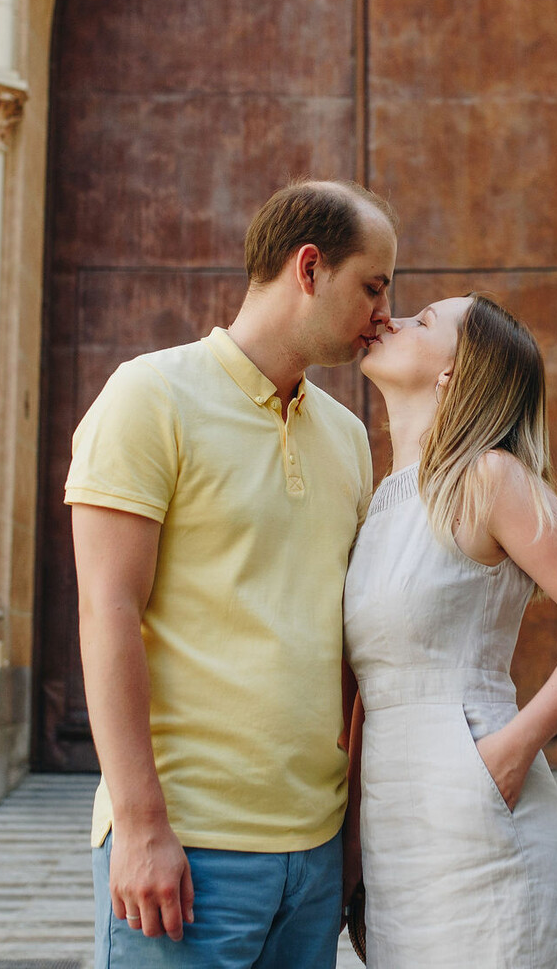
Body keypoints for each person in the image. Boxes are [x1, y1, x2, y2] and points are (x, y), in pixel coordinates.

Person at [67, 179, 397, 968]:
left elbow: (346, 645)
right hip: (186, 849)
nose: (384, 314)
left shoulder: (348, 436)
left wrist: (347, 840)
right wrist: (142, 827)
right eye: (374, 286)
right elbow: (106, 610)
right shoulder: (149, 396)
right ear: (309, 268)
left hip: (314, 855)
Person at [345, 294, 557, 967]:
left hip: (480, 813)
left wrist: (508, 755)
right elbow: (369, 685)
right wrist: (352, 850)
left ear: (454, 370)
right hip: (393, 830)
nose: (391, 317)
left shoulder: (489, 476)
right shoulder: (379, 501)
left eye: (424, 322)